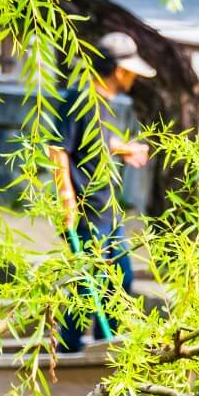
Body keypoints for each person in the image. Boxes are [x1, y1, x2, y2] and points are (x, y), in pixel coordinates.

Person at [55, 31, 155, 350]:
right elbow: (58, 149)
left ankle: (107, 347)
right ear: (121, 70)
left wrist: (123, 149)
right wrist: (67, 199)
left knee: (121, 278)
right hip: (87, 208)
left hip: (108, 208)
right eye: (133, 73)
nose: (135, 79)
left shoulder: (106, 103)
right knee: (89, 284)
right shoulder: (78, 98)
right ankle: (69, 351)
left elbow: (96, 140)